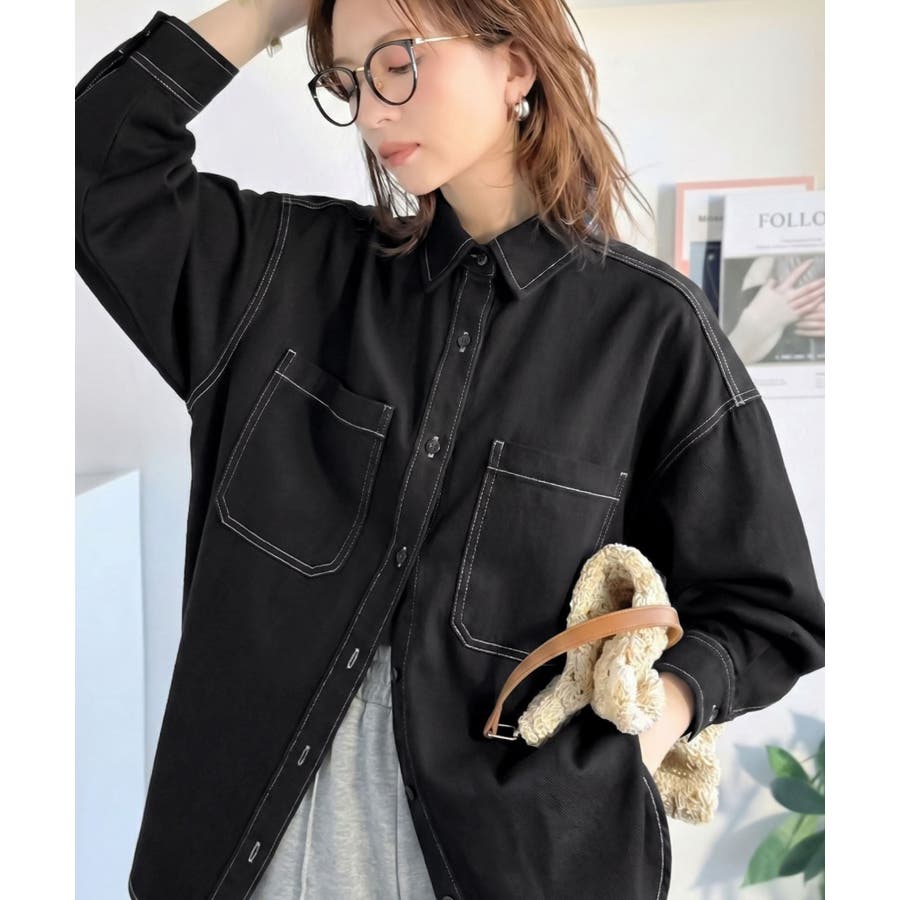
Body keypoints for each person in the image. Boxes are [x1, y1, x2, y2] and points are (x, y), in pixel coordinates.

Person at [74, 1, 826, 898]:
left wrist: (654, 718)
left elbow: (768, 610)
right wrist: (274, 7)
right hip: (250, 850)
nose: (370, 111)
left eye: (397, 64)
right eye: (346, 82)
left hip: (517, 858)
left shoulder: (651, 330)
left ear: (516, 66)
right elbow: (87, 166)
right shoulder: (281, 277)